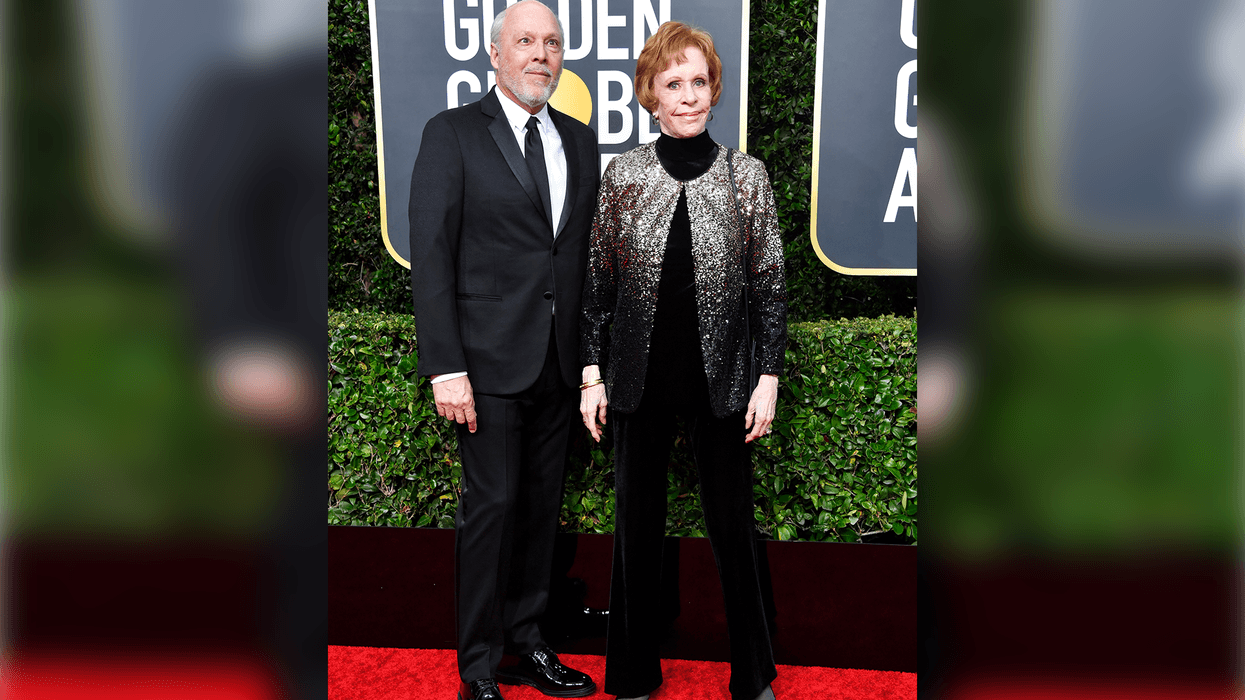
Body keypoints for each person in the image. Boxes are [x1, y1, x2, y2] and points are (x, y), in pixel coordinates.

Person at [579, 21, 787, 700]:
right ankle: (634, 673)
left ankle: (752, 671)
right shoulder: (624, 175)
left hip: (721, 382)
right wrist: (592, 374)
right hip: (638, 378)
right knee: (636, 530)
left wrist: (767, 376)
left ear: (713, 89)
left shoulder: (744, 176)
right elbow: (598, 286)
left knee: (732, 527)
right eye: (675, 84)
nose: (690, 96)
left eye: (699, 82)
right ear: (651, 94)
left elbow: (768, 286)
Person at [407, 2, 599, 699]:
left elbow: (578, 261)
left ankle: (526, 644)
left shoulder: (579, 141)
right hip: (483, 366)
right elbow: (431, 255)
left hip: (556, 361)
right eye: (524, 41)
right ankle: (478, 670)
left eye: (551, 42)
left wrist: (588, 365)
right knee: (491, 513)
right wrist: (445, 365)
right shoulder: (452, 133)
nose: (539, 54)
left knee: (541, 512)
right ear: (495, 54)